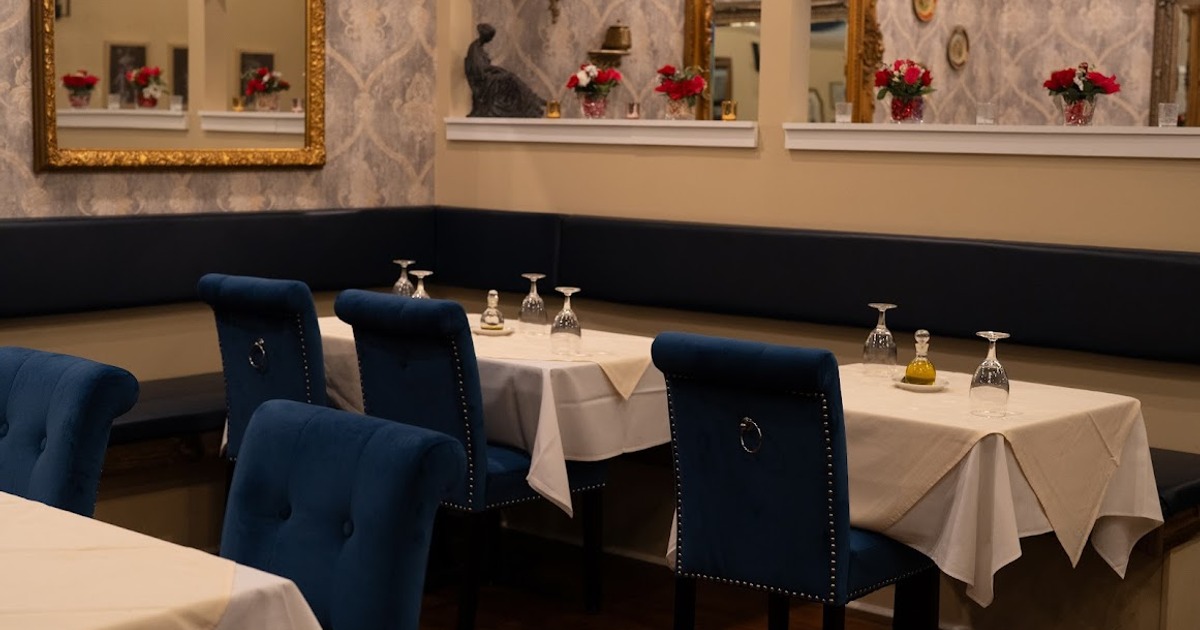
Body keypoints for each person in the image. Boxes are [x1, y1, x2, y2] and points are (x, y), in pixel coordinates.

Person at [464, 24, 545, 118]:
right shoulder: (474, 48)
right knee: (510, 78)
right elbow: (480, 71)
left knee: (510, 77)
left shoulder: (479, 48)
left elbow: (486, 67)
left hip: (488, 77)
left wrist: (497, 70)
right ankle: (533, 101)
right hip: (484, 81)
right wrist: (496, 71)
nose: (490, 39)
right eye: (490, 37)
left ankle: (532, 101)